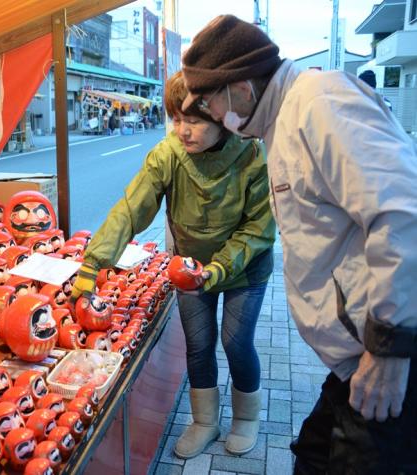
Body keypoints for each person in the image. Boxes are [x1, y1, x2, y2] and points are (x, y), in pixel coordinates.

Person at [181, 15, 417, 474]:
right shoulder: (282, 120)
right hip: (355, 358)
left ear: (243, 87)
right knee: (311, 455)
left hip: (390, 354)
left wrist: (390, 347)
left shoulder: (321, 103)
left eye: (209, 101)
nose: (210, 115)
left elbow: (402, 211)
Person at [72, 71, 276, 458]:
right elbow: (132, 208)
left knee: (235, 342)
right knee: (199, 345)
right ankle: (204, 421)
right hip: (189, 264)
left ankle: (246, 418)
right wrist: (92, 264)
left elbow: (258, 227)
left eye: (194, 120)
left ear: (222, 117)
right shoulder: (169, 154)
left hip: (244, 266)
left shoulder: (251, 155)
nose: (182, 130)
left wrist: (217, 270)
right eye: (176, 119)